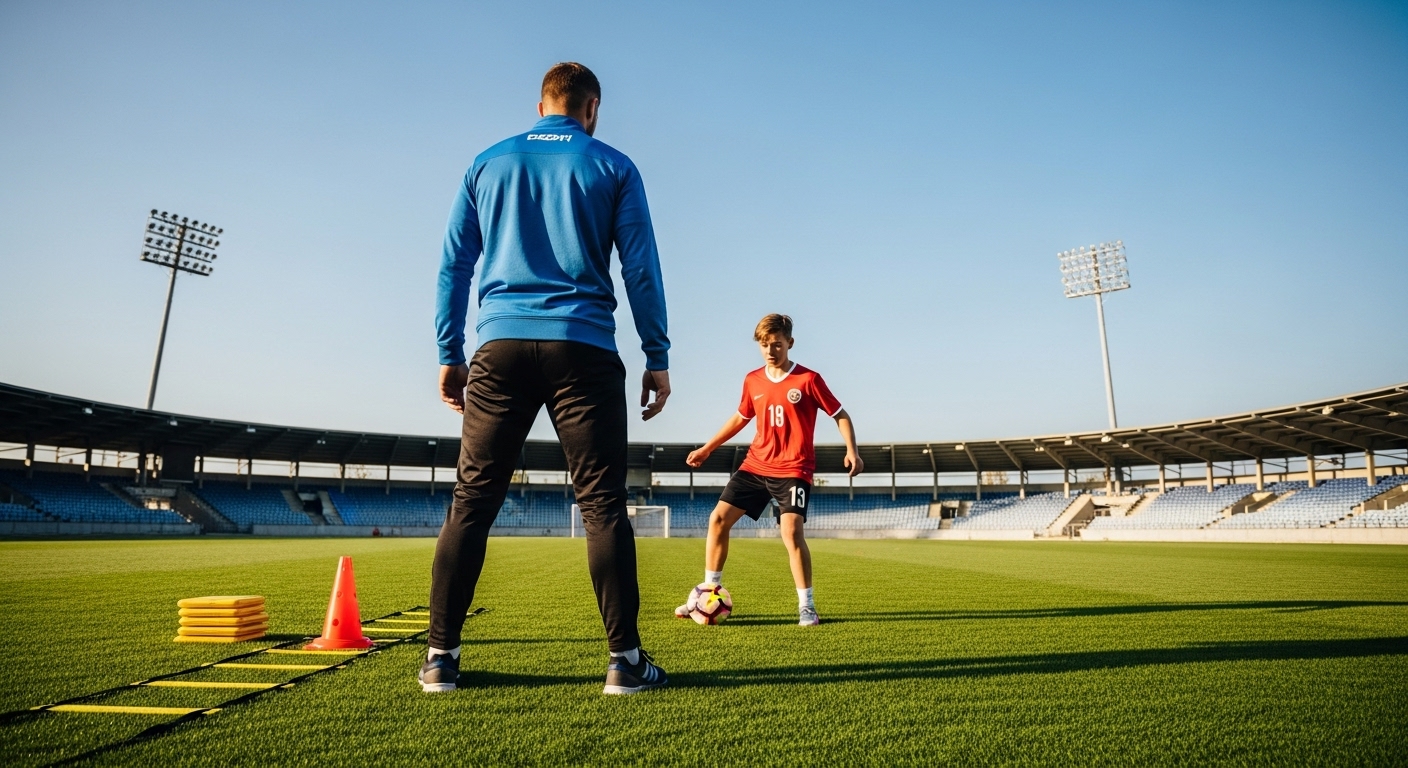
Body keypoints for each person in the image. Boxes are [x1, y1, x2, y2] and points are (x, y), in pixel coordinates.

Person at [425, 62, 671, 695]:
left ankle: (440, 658)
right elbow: (640, 269)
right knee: (602, 506)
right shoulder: (614, 165)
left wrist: (450, 351)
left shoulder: (488, 162)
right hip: (582, 348)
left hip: (499, 345)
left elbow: (455, 261)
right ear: (591, 108)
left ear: (541, 106)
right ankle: (624, 662)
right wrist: (657, 354)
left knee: (472, 502)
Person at [682, 314, 863, 626]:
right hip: (755, 465)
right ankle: (708, 593)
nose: (770, 350)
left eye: (776, 344)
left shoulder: (808, 380)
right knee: (718, 520)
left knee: (791, 532)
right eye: (764, 345)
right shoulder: (753, 380)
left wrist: (852, 450)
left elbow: (840, 413)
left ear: (789, 343)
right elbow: (740, 418)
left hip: (794, 468)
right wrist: (707, 447)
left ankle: (807, 606)